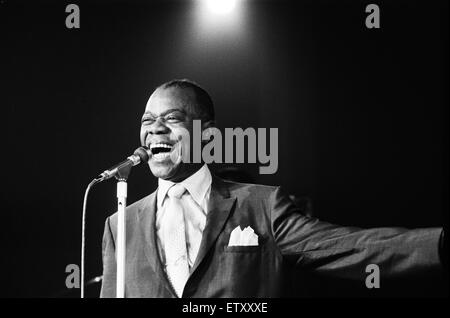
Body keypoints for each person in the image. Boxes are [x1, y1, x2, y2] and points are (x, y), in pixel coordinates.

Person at [100, 79, 447, 298]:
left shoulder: (262, 205)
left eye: (171, 118)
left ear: (206, 134)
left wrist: (439, 244)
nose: (155, 129)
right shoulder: (120, 224)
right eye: (147, 121)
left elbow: (350, 247)